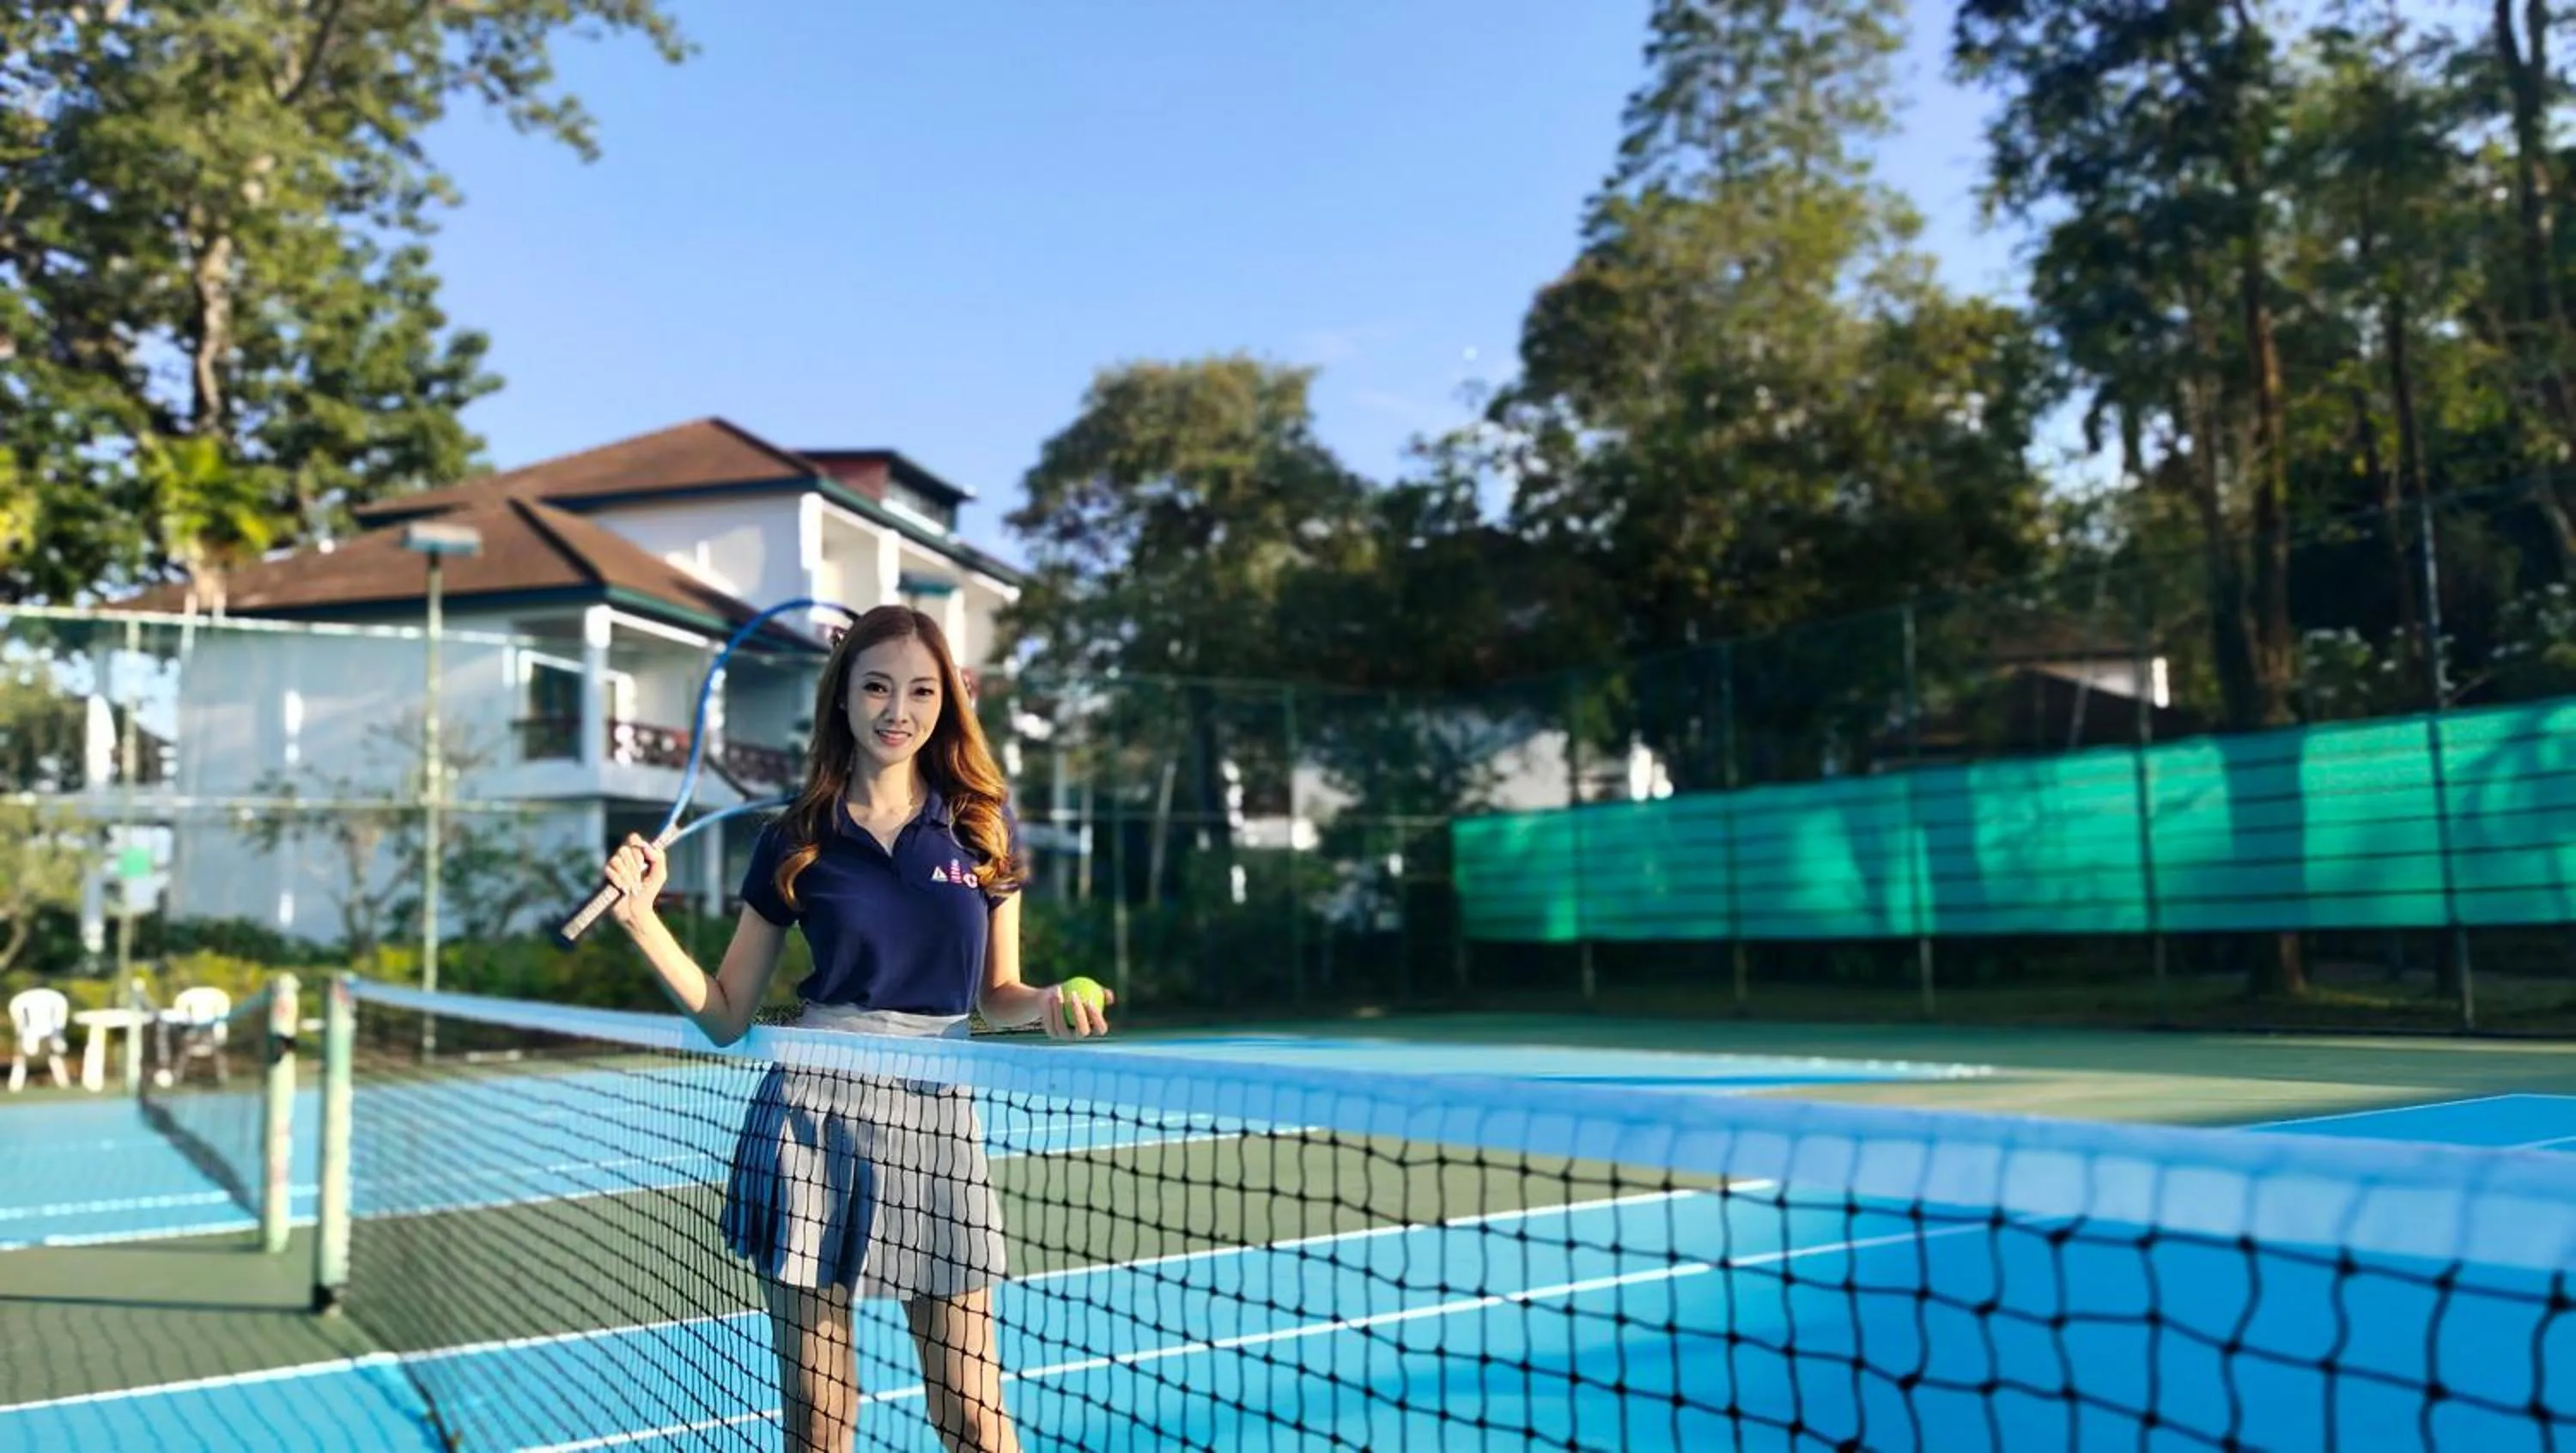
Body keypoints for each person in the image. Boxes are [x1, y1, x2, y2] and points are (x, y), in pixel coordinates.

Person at [597, 604, 1110, 1453]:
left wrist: (1048, 1003)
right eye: (875, 687)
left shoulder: (981, 826)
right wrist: (644, 921)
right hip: (812, 1118)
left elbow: (997, 996)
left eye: (919, 690)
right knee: (822, 1421)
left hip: (938, 1121)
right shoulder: (795, 839)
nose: (896, 711)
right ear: (842, 698)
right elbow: (726, 1015)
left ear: (946, 702)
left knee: (975, 1417)